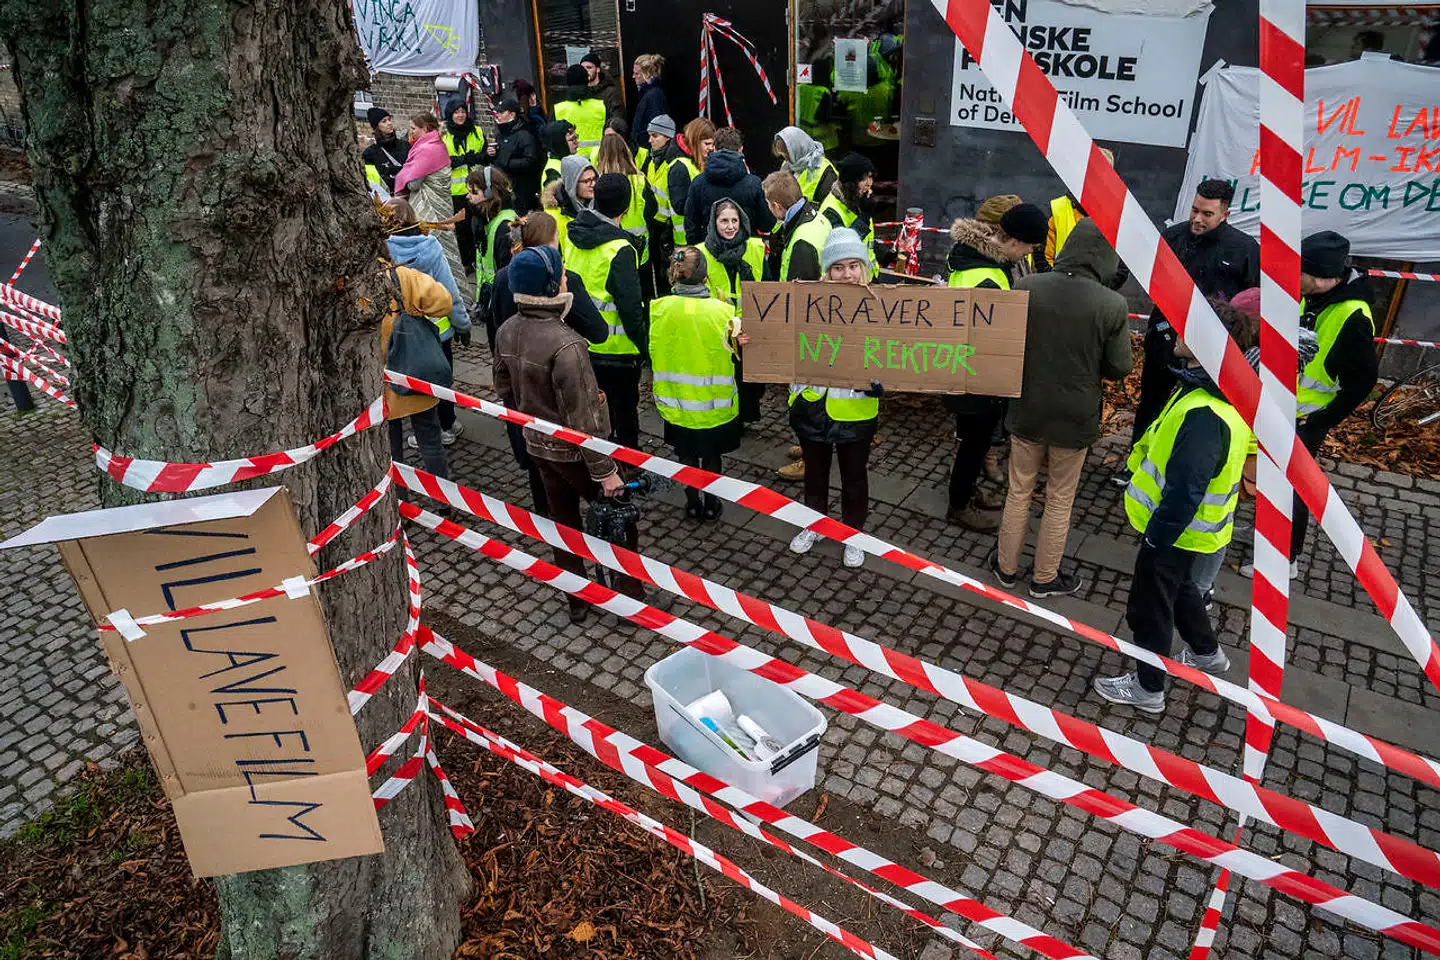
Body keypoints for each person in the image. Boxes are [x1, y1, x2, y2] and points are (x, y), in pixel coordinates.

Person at [1094, 301, 1259, 713]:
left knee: (1150, 607)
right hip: (1190, 532)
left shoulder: (1204, 413)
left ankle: (1148, 688)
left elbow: (1186, 489)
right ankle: (1207, 654)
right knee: (1183, 588)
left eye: (1188, 328)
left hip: (1174, 530)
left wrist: (1157, 538)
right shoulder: (1211, 391)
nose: (1177, 332)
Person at [492, 245, 643, 623]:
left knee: (562, 524)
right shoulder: (568, 344)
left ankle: (577, 599)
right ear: (549, 286)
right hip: (574, 455)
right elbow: (585, 420)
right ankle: (629, 598)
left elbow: (504, 387)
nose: (565, 278)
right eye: (560, 274)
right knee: (619, 518)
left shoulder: (507, 330)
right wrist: (606, 473)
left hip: (537, 447)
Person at [991, 219, 1134, 597]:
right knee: (1059, 498)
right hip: (1076, 414)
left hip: (1028, 404)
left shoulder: (1028, 287)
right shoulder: (1112, 304)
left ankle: (1005, 567)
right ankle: (1044, 578)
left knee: (1018, 490)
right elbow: (1120, 367)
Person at [1242, 230, 1378, 578]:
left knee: (1290, 485)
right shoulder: (1311, 297)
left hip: (1305, 419)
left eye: (1298, 269)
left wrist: (1322, 420)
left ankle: (1285, 558)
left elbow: (1363, 382)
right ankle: (1265, 529)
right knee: (1266, 474)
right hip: (1279, 408)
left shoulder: (1352, 318)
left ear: (1320, 276)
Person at [1121, 179, 1261, 477]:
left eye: (1207, 214)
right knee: (1151, 404)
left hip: (1213, 352)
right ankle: (1135, 466)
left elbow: (1251, 302)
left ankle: (1184, 470)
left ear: (1225, 214)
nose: (1197, 219)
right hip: (1165, 341)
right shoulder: (1172, 237)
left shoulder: (1245, 249)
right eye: (1194, 210)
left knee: (1196, 411)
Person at [943, 201, 1048, 532]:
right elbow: (992, 335)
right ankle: (959, 505)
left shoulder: (975, 259)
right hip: (978, 376)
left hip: (963, 368)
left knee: (971, 441)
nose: (1029, 254)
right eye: (1030, 247)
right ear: (1015, 241)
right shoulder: (988, 277)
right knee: (974, 444)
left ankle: (967, 490)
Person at [786, 230, 882, 568]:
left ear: (863, 267)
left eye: (853, 265)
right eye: (838, 267)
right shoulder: (807, 304)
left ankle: (853, 534)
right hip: (812, 406)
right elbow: (781, 340)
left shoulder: (881, 306)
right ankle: (815, 524)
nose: (847, 274)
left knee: (854, 478)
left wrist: (881, 381)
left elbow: (896, 354)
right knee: (815, 474)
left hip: (855, 411)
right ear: (827, 271)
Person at [650, 247, 744, 521]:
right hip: (714, 404)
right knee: (711, 456)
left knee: (686, 456)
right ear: (706, 277)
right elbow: (737, 355)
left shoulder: (660, 309)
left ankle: (692, 503)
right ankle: (712, 503)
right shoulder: (724, 312)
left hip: (677, 402)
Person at [567, 173, 648, 451]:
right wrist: (644, 347)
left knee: (593, 411)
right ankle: (627, 465)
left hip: (582, 341)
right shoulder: (621, 248)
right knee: (623, 414)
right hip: (617, 351)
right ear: (625, 208)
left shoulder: (574, 234)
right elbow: (631, 309)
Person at [381, 197, 471, 445]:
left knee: (410, 379)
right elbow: (449, 289)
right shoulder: (431, 246)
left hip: (400, 333)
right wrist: (462, 324)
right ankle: (448, 424)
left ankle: (422, 428)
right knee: (442, 377)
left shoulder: (382, 250)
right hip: (438, 331)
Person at [383, 265, 454, 484]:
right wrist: (415, 309)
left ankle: (398, 501)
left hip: (381, 384)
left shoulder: (352, 285)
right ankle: (442, 498)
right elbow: (444, 301)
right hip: (415, 371)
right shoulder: (401, 276)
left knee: (391, 451)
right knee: (430, 440)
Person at [394, 113, 471, 308]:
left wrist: (404, 176)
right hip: (444, 206)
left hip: (431, 208)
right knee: (449, 251)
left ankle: (443, 298)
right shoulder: (437, 145)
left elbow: (413, 184)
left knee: (436, 252)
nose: (410, 132)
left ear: (425, 129)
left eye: (413, 128)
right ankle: (462, 297)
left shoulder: (426, 150)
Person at [702, 199, 767, 422]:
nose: (730, 226)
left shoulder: (755, 248)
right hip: (720, 332)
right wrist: (729, 331)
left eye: (734, 221)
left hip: (750, 329)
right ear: (714, 223)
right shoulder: (702, 253)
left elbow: (767, 287)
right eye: (724, 221)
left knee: (751, 384)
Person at [682, 127, 775, 244]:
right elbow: (766, 224)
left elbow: (691, 224)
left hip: (710, 249)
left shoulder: (698, 183)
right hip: (746, 249)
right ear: (740, 150)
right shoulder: (754, 184)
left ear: (714, 148)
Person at [596, 133, 658, 300]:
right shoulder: (640, 180)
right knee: (646, 297)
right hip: (641, 248)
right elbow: (652, 209)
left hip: (611, 251)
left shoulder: (599, 184)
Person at [440, 96, 488, 283]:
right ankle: (467, 262)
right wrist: (463, 159)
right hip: (457, 191)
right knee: (462, 229)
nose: (460, 115)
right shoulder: (444, 135)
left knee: (480, 224)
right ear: (450, 115)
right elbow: (443, 161)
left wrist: (483, 156)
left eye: (463, 111)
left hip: (478, 189)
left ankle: (481, 257)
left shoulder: (476, 131)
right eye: (456, 112)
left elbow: (485, 155)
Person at [1042, 147, 1113, 269]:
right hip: (1058, 279)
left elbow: (1121, 268)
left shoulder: (1115, 218)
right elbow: (1042, 259)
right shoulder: (1056, 209)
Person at [762, 170, 832, 283]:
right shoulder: (819, 217)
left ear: (776, 206)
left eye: (768, 204)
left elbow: (800, 291)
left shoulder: (801, 243)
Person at [819, 153, 879, 276]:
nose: (869, 183)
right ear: (850, 184)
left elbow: (868, 242)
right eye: (863, 179)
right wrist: (865, 217)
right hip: (847, 279)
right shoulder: (830, 211)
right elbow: (844, 249)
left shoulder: (857, 200)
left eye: (870, 177)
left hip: (866, 278)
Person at [642, 115, 682, 287]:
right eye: (649, 135)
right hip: (655, 226)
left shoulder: (674, 164)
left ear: (668, 137)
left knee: (670, 275)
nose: (650, 140)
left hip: (669, 229)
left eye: (655, 136)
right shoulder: (652, 161)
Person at [467, 166, 518, 294]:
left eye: (474, 192)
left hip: (499, 298)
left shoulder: (505, 228)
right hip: (489, 296)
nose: (468, 196)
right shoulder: (485, 220)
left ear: (490, 193)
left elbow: (508, 276)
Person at [666, 118, 715, 248]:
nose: (711, 148)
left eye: (712, 144)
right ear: (695, 141)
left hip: (702, 237)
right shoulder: (679, 168)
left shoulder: (701, 161)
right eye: (707, 144)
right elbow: (680, 206)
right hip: (687, 241)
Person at [491, 96, 544, 214]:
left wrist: (507, 162)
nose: (498, 115)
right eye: (497, 112)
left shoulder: (525, 135)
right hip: (505, 188)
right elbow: (498, 158)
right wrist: (491, 154)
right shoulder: (500, 135)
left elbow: (531, 161)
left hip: (522, 190)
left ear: (512, 114)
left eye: (501, 112)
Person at [543, 154, 597, 257]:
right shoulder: (551, 215)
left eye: (594, 179)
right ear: (572, 183)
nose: (593, 184)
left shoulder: (598, 206)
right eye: (587, 181)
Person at [555, 64, 607, 160]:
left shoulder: (558, 109)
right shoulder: (600, 106)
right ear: (587, 80)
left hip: (572, 162)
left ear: (567, 82)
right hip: (599, 160)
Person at [774, 126, 837, 205]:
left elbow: (831, 207)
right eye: (783, 156)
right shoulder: (789, 165)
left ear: (798, 150)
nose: (786, 160)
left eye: (788, 155)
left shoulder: (825, 173)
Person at [363, 107, 410, 194]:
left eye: (389, 119)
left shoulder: (405, 145)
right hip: (388, 196)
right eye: (384, 121)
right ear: (376, 127)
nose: (389, 123)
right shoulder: (369, 153)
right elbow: (372, 181)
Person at [629, 55, 669, 151]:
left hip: (647, 151)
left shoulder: (654, 96)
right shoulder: (649, 94)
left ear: (647, 74)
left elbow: (657, 130)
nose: (633, 76)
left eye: (637, 74)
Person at [581, 52, 625, 122]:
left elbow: (617, 117)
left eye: (589, 67)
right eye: (582, 68)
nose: (585, 71)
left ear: (598, 69)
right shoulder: (580, 92)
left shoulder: (611, 92)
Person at [541, 120, 578, 189]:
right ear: (560, 143)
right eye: (571, 139)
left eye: (576, 137)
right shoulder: (552, 172)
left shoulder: (567, 161)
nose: (576, 142)